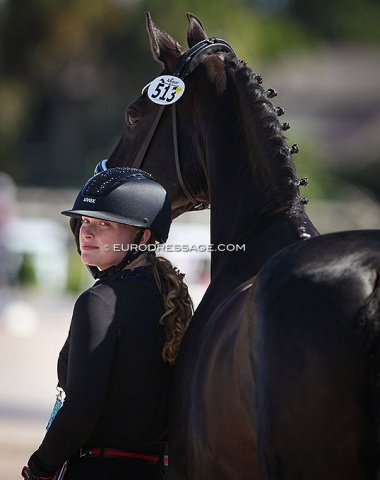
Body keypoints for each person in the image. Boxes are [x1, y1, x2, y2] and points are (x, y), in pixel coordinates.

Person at [21, 167, 193, 480]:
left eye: (104, 223)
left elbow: (79, 413)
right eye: (85, 221)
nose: (87, 232)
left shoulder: (99, 302)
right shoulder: (169, 296)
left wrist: (39, 468)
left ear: (142, 236)